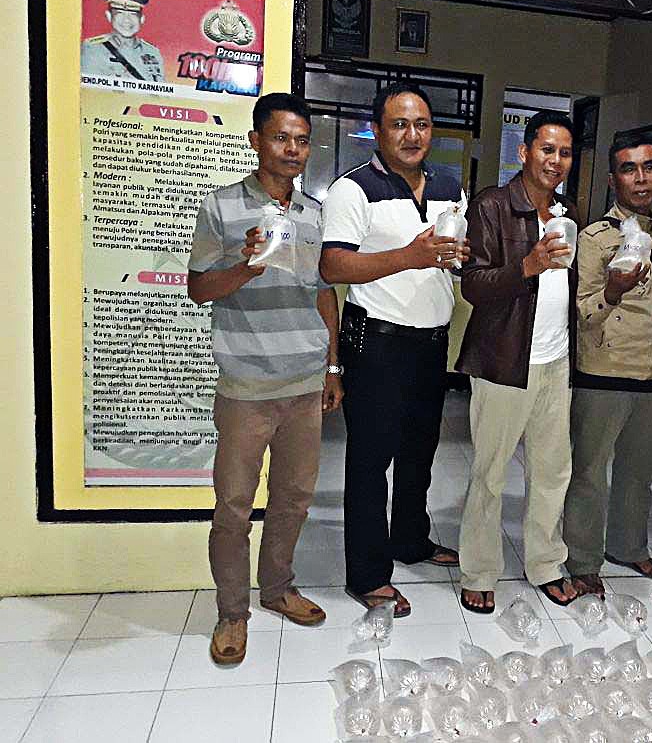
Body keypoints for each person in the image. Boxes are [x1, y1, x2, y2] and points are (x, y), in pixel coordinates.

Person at [188, 93, 341, 665]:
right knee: (232, 505)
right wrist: (245, 266)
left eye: (302, 140)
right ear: (256, 140)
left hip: (303, 382)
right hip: (246, 386)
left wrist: (331, 365)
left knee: (295, 498)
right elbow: (199, 289)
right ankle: (232, 613)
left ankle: (278, 588)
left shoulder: (314, 213)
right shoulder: (223, 207)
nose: (294, 149)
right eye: (282, 137)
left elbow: (324, 292)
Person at [319, 83, 468, 618]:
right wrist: (408, 256)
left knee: (418, 456)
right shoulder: (352, 190)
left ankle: (411, 540)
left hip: (431, 344)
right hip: (376, 346)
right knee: (369, 463)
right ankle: (367, 573)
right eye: (400, 124)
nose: (412, 135)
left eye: (423, 124)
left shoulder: (450, 185)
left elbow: (445, 256)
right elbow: (333, 266)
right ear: (378, 130)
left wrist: (455, 256)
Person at [456, 110, 581, 612]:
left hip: (556, 362)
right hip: (505, 361)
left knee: (553, 471)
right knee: (489, 473)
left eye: (565, 153)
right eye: (547, 149)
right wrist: (526, 265)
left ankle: (546, 562)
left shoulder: (569, 213)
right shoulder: (492, 206)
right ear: (525, 152)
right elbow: (473, 286)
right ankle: (481, 569)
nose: (556, 161)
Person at [562, 134, 652, 597]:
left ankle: (629, 546)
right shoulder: (594, 238)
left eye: (649, 168)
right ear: (613, 179)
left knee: (639, 468)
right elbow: (582, 309)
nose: (641, 178)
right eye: (630, 169)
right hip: (604, 370)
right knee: (590, 472)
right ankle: (583, 559)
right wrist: (613, 289)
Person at [81, 0, 165, 82]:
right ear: (109, 16)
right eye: (120, 13)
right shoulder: (92, 49)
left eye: (133, 14)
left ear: (142, 19)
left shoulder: (153, 53)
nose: (127, 20)